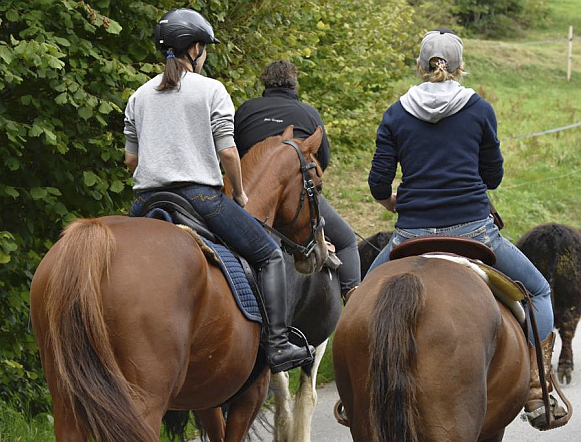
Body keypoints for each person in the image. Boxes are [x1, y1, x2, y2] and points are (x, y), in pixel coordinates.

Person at [365, 28, 567, 429]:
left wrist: (396, 203)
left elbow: (378, 185)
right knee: (539, 291)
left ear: (420, 67)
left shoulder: (395, 112)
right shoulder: (479, 109)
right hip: (475, 231)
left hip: (410, 235)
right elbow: (492, 177)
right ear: (460, 68)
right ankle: (535, 386)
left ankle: (358, 389)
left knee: (358, 299)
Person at [122, 8, 314, 374]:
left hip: (146, 201)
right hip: (199, 199)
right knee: (271, 255)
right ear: (195, 49)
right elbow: (227, 151)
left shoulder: (138, 97)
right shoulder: (211, 90)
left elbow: (131, 161)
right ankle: (276, 347)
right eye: (204, 47)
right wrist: (240, 193)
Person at [234, 60, 362, 300]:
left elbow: (236, 154)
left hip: (249, 198)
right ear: (294, 85)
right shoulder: (308, 113)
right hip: (296, 197)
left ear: (265, 83)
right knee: (346, 240)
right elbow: (322, 159)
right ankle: (352, 296)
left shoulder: (245, 109)